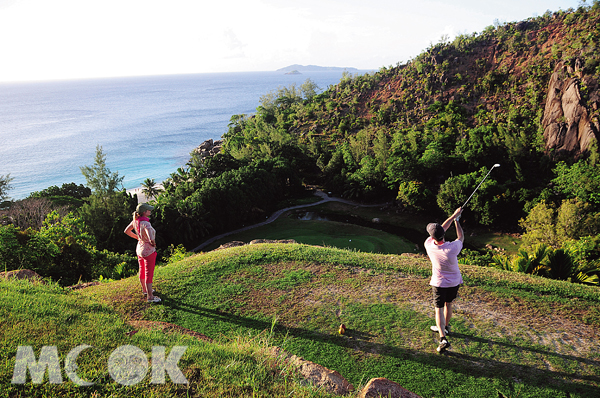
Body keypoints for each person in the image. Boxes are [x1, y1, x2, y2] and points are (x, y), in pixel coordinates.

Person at [424, 207, 464, 353]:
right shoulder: (453, 247)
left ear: (432, 237)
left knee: (438, 309)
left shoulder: (428, 245)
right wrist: (457, 220)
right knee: (449, 304)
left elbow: (442, 228)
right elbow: (460, 237)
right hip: (454, 282)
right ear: (443, 235)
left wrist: (453, 216)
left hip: (439, 283)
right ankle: (445, 327)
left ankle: (442, 338)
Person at [124, 203, 161, 303]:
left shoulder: (135, 221)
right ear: (145, 212)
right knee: (149, 273)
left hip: (139, 249)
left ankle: (145, 290)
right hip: (148, 251)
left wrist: (138, 238)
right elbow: (151, 238)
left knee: (142, 270)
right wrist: (153, 244)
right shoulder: (146, 224)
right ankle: (150, 297)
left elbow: (126, 231)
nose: (150, 211)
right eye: (149, 210)